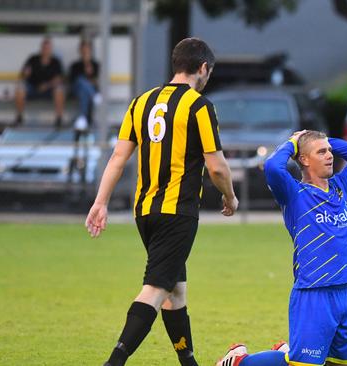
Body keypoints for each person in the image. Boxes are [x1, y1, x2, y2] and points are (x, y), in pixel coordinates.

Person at [85, 37, 239, 366]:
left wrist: (101, 202)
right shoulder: (199, 105)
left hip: (145, 211)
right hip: (178, 212)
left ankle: (189, 363)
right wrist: (230, 196)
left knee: (175, 291)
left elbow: (117, 158)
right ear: (202, 68)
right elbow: (216, 166)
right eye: (208, 72)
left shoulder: (140, 102)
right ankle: (113, 362)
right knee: (156, 289)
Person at [215, 130, 347, 366]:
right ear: (304, 159)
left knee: (343, 364)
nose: (330, 155)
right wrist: (294, 143)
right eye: (322, 152)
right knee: (301, 363)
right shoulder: (295, 194)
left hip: (344, 291)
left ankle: (287, 350)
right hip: (313, 292)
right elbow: (273, 167)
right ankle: (239, 361)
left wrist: (325, 141)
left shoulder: (340, 187)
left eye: (329, 150)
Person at [14, 36, 65, 127]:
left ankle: (59, 119)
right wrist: (26, 73)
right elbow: (23, 74)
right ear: (41, 48)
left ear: (51, 49)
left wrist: (47, 85)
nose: (46, 50)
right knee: (20, 88)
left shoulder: (55, 61)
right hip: (33, 88)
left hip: (49, 90)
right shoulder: (33, 59)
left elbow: (59, 79)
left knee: (59, 89)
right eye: (44, 47)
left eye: (48, 48)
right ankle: (19, 117)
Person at [68, 38, 100, 130]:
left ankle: (83, 117)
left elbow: (96, 81)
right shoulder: (75, 65)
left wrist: (88, 67)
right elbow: (73, 81)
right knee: (80, 80)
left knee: (84, 92)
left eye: (87, 49)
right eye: (83, 49)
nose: (85, 51)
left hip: (85, 92)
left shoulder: (95, 65)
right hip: (76, 90)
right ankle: (94, 96)